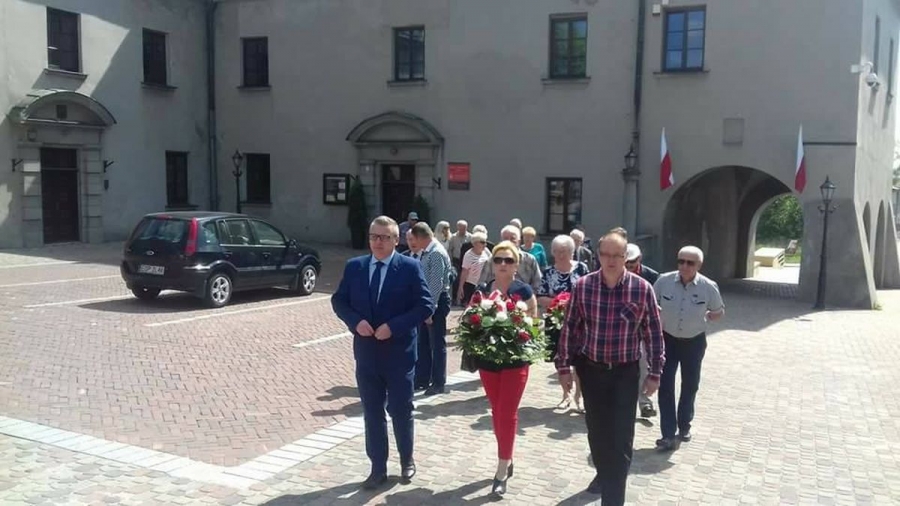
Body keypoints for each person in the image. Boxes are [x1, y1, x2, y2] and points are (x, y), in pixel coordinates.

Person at [556, 230, 665, 505]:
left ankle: (613, 498)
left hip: (624, 373)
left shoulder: (642, 289)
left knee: (620, 439)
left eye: (617, 255)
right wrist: (564, 367)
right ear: (598, 256)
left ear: (625, 257)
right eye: (606, 254)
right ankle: (605, 476)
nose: (611, 260)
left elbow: (653, 334)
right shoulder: (584, 286)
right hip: (592, 371)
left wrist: (655, 373)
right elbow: (570, 328)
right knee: (597, 434)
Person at [331, 216, 434, 489]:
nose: (378, 242)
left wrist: (394, 327)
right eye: (374, 236)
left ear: (396, 240)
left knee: (400, 409)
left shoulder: (409, 267)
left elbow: (425, 305)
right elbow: (339, 300)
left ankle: (407, 459)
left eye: (384, 237)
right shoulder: (355, 267)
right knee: (372, 412)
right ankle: (377, 468)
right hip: (367, 354)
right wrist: (355, 322)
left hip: (399, 354)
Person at [474, 241, 539, 498]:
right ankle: (507, 457)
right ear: (492, 264)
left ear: (516, 265)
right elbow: (471, 321)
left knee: (507, 412)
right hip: (488, 361)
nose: (502, 264)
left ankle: (501, 470)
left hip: (515, 360)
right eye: (498, 260)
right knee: (496, 410)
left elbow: (534, 324)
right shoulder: (482, 290)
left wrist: (518, 329)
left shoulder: (524, 291)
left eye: (508, 260)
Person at [653, 246, 724, 451]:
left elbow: (718, 311)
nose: (684, 266)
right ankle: (668, 433)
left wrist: (711, 316)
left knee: (690, 384)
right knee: (665, 385)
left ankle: (684, 425)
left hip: (694, 341)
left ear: (699, 265)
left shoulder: (708, 286)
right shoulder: (663, 281)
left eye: (690, 263)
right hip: (667, 340)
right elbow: (651, 302)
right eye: (681, 261)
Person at [537, 235, 589, 412]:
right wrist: (559, 303)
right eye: (557, 251)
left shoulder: (582, 269)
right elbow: (540, 296)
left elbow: (590, 291)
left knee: (580, 360)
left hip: (580, 322)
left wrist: (573, 304)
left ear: (572, 252)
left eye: (564, 251)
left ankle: (579, 395)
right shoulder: (548, 273)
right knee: (560, 359)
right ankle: (565, 394)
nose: (560, 255)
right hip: (555, 321)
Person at [409, 223, 453, 396]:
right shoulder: (428, 252)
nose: (413, 243)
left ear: (421, 237)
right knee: (424, 343)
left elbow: (435, 284)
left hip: (436, 302)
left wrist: (430, 310)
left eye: (414, 239)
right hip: (426, 302)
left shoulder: (435, 253)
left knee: (436, 343)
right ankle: (422, 378)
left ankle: (438, 382)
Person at [625, 243, 661, 418]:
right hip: (623, 330)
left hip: (643, 329)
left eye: (632, 262)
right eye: (626, 262)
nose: (629, 265)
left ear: (639, 259)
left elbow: (659, 302)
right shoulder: (616, 274)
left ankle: (644, 401)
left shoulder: (652, 277)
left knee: (644, 367)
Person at [478, 225, 542, 293]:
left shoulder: (530, 260)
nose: (509, 242)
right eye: (505, 239)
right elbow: (482, 283)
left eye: (512, 239)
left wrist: (528, 295)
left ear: (519, 241)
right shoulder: (492, 260)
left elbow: (538, 284)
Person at [457, 232, 490, 305]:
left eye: (485, 242)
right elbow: (464, 271)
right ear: (475, 243)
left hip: (482, 284)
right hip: (470, 285)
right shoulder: (468, 255)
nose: (485, 244)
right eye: (482, 242)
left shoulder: (486, 252)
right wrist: (461, 287)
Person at [447, 220, 472, 304]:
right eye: (461, 228)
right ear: (457, 228)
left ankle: (464, 298)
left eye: (464, 228)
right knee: (456, 279)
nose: (462, 230)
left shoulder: (470, 237)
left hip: (467, 260)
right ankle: (455, 298)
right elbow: (450, 250)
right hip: (456, 260)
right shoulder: (453, 237)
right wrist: (450, 261)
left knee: (466, 279)